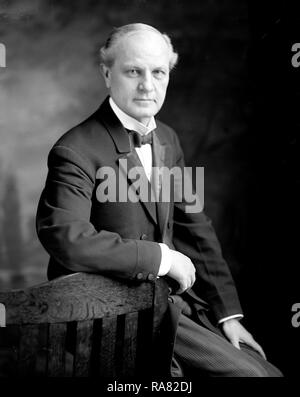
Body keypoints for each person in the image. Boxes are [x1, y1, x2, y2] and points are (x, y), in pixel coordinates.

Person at [36, 23, 282, 377]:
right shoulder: (75, 149)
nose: (147, 86)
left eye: (158, 72)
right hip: (107, 317)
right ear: (107, 73)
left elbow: (194, 228)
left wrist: (227, 313)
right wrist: (162, 259)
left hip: (168, 307)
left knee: (266, 372)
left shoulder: (167, 138)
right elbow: (65, 238)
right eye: (133, 71)